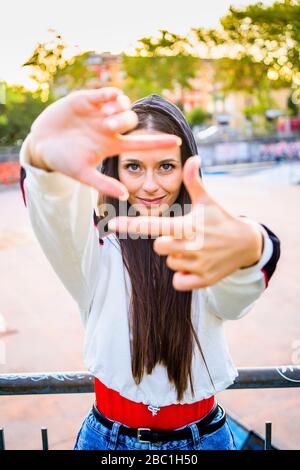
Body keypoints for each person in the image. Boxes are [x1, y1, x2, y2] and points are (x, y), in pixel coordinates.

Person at [19, 88, 280, 451]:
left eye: (166, 166)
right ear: (115, 168)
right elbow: (56, 215)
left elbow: (235, 301)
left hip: (203, 439)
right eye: (134, 167)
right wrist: (41, 159)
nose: (151, 185)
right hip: (108, 442)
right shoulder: (96, 246)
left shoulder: (207, 243)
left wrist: (255, 247)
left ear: (188, 167)